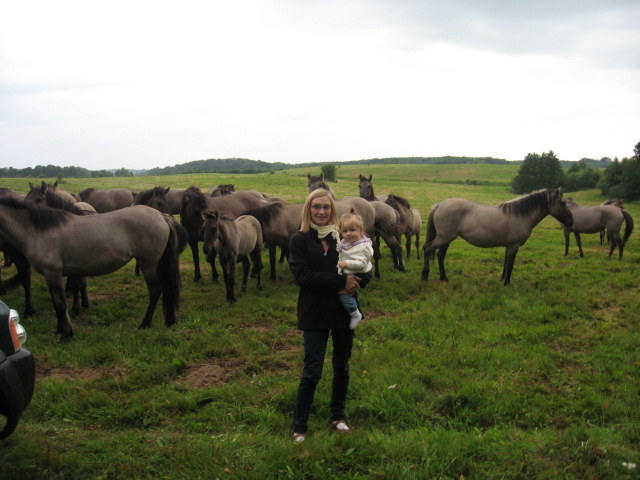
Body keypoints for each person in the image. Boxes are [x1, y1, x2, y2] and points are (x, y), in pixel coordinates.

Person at [288, 189, 370, 443]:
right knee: (312, 370)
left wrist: (360, 280)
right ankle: (300, 426)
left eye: (326, 207)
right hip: (314, 312)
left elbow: (366, 270)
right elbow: (304, 277)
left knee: (341, 366)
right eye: (316, 207)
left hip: (342, 311)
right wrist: (341, 280)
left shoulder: (344, 236)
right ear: (308, 209)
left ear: (332, 209)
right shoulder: (299, 240)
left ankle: (338, 416)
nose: (321, 212)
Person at [337, 212, 374, 330]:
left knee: (344, 295)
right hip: (353, 271)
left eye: (352, 230)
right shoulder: (347, 244)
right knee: (352, 294)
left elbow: (362, 264)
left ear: (361, 231)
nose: (348, 234)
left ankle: (355, 315)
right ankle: (356, 309)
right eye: (345, 231)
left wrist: (346, 264)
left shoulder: (363, 246)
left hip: (362, 273)